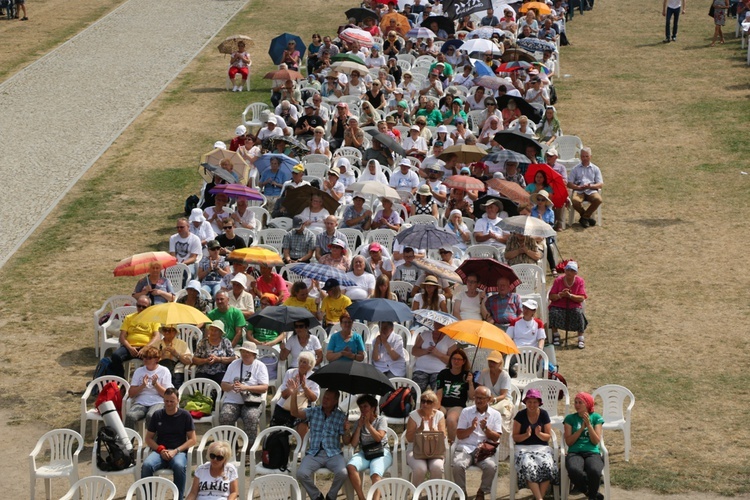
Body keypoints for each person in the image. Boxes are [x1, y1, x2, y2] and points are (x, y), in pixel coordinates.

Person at [290, 381, 351, 500]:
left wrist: (347, 430)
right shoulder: (314, 411)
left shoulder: (341, 416)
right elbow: (294, 412)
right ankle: (316, 496)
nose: (324, 400)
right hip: (314, 453)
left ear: (335, 401)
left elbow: (347, 441)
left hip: (333, 453)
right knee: (301, 474)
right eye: (324, 397)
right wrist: (293, 394)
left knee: (343, 473)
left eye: (328, 398)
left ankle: (331, 496)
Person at [142, 389, 197, 500]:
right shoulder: (157, 415)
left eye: (171, 401)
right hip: (160, 451)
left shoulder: (185, 416)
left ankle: (178, 498)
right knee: (147, 465)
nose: (168, 404)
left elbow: (193, 439)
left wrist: (176, 451)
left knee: (179, 466)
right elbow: (148, 438)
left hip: (178, 451)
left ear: (178, 400)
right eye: (166, 401)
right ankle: (148, 497)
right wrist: (160, 449)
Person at [452, 386, 503, 500]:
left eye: (482, 398)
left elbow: (496, 438)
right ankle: (462, 494)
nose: (478, 401)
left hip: (484, 450)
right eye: (476, 398)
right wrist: (471, 428)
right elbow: (459, 435)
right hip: (466, 447)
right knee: (457, 465)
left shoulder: (495, 415)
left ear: (489, 399)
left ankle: (481, 492)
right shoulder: (466, 412)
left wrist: (486, 429)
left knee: (491, 466)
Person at [512, 389, 559, 500]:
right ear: (526, 402)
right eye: (529, 402)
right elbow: (515, 436)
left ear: (539, 403)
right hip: (523, 448)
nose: (532, 405)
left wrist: (539, 434)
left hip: (542, 448)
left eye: (535, 402)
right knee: (528, 466)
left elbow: (548, 436)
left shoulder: (544, 414)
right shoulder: (520, 415)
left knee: (548, 466)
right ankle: (539, 498)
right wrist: (526, 435)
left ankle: (538, 498)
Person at [220, 342, 269, 445]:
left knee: (251, 417)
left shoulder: (260, 366)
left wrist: (246, 387)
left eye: (249, 352)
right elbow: (223, 384)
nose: (246, 355)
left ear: (254, 354)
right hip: (233, 400)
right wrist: (232, 386)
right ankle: (231, 445)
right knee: (225, 416)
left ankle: (249, 449)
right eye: (243, 352)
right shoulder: (234, 364)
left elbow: (264, 388)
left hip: (251, 401)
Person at [346, 395, 392, 500]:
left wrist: (368, 425)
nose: (362, 409)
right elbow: (353, 444)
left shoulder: (381, 420)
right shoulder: (359, 422)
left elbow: (378, 438)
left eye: (365, 406)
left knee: (375, 473)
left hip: (381, 451)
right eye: (361, 407)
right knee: (351, 466)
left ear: (373, 408)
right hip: (366, 451)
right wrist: (358, 426)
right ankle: (361, 498)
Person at [564, 392, 605, 500]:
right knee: (574, 470)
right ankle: (590, 492)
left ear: (587, 404)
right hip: (575, 452)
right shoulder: (570, 419)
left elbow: (596, 441)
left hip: (592, 452)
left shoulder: (596, 417)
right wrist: (581, 428)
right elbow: (569, 442)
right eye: (575, 402)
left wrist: (589, 426)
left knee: (595, 471)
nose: (577, 405)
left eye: (580, 403)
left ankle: (592, 496)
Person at [271, 351, 320, 437]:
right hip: (285, 406)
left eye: (304, 362)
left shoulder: (314, 377)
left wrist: (305, 388)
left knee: (303, 423)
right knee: (277, 426)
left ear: (310, 365)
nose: (301, 364)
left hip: (302, 407)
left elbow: (314, 398)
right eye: (300, 361)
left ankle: (301, 448)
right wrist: (291, 390)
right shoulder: (290, 373)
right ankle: (279, 444)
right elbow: (283, 395)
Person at [110, 297, 161, 378]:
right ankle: (121, 383)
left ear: (149, 308)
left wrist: (146, 348)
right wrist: (129, 348)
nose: (140, 308)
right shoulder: (129, 318)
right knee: (115, 356)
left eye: (143, 307)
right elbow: (122, 337)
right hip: (130, 347)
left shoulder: (154, 319)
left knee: (154, 359)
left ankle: (148, 382)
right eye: (138, 306)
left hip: (146, 348)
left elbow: (157, 336)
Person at [404, 389, 447, 484]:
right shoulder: (413, 415)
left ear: (434, 403)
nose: (425, 404)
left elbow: (443, 436)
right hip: (416, 450)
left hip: (435, 451)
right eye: (423, 401)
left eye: (429, 402)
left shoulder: (439, 415)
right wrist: (418, 430)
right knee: (420, 469)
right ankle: (416, 494)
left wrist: (433, 430)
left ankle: (433, 495)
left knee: (437, 467)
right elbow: (409, 439)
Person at [125, 346, 173, 429]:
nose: (145, 359)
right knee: (130, 416)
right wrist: (142, 386)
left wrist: (156, 385)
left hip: (158, 401)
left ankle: (153, 441)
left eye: (149, 358)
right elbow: (131, 394)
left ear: (157, 359)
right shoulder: (139, 371)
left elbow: (167, 394)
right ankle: (128, 441)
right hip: (141, 402)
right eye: (144, 357)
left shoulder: (164, 371)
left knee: (151, 416)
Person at [436, 348, 475, 442]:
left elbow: (471, 397)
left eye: (459, 359)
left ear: (464, 361)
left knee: (451, 420)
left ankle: (453, 444)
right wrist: (436, 407)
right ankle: (437, 443)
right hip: (443, 404)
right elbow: (439, 393)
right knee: (436, 415)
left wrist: (470, 383)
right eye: (454, 358)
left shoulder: (467, 375)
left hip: (457, 405)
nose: (456, 361)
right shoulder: (443, 373)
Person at [548, 261, 588, 348]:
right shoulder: (558, 280)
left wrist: (570, 296)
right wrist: (560, 295)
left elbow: (582, 297)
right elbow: (551, 296)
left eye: (572, 270)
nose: (569, 272)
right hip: (558, 305)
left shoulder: (579, 281)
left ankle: (580, 337)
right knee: (553, 313)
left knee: (578, 313)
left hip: (573, 305)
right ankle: (556, 335)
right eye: (567, 270)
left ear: (575, 273)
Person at [411, 325, 457, 391]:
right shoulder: (425, 334)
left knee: (438, 390)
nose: (437, 325)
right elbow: (414, 351)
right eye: (436, 323)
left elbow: (453, 360)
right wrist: (425, 351)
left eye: (439, 324)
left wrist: (438, 354)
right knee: (416, 390)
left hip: (439, 372)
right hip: (421, 370)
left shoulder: (449, 340)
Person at [193, 320, 237, 385]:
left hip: (220, 371)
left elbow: (233, 358)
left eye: (216, 331)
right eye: (211, 330)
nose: (213, 332)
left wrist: (218, 359)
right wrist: (206, 360)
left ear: (221, 333)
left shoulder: (225, 342)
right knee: (200, 384)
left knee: (222, 382)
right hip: (203, 371)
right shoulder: (202, 342)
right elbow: (194, 359)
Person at [568, 147, 603, 228]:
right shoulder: (575, 169)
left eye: (586, 156)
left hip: (591, 191)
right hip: (579, 191)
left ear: (590, 156)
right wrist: (578, 187)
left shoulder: (595, 169)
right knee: (574, 201)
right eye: (583, 156)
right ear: (580, 157)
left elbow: (600, 184)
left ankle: (584, 217)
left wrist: (590, 186)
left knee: (598, 200)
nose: (585, 158)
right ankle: (587, 217)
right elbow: (569, 184)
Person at [156, 325, 192, 389]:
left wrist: (176, 354)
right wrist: (161, 354)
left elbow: (189, 361)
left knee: (175, 387)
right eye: (165, 330)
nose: (167, 332)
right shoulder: (157, 344)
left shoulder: (182, 343)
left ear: (175, 332)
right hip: (159, 371)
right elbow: (149, 360)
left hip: (176, 371)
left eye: (169, 330)